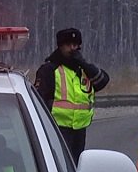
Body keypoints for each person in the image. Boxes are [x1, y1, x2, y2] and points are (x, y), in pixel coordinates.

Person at [34, 28, 110, 160]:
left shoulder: (84, 70)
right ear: (60, 46)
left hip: (80, 128)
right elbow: (39, 100)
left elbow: (102, 81)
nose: (72, 49)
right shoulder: (50, 69)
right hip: (57, 128)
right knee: (61, 163)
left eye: (75, 45)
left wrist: (83, 63)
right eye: (68, 45)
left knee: (76, 165)